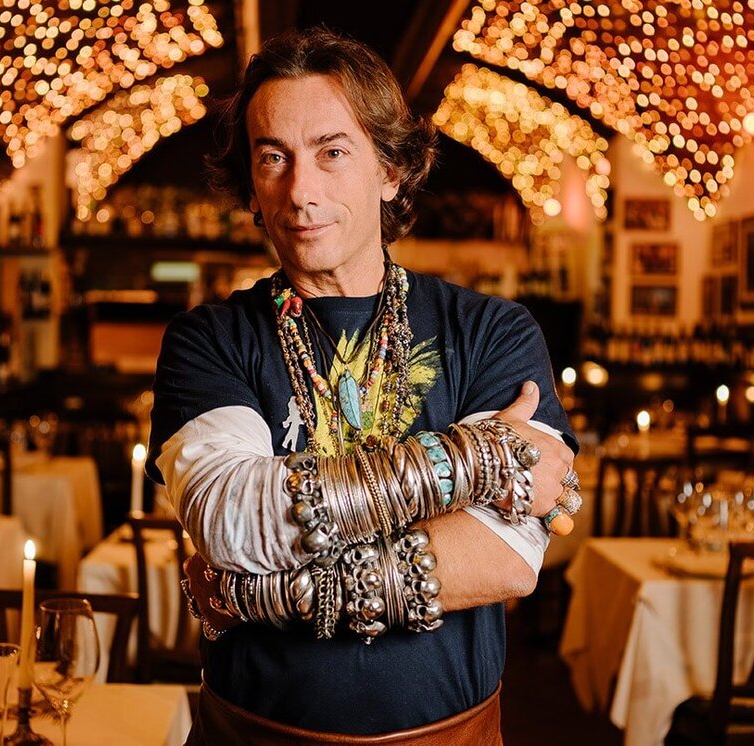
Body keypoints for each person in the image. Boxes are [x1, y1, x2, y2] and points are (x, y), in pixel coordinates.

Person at [147, 27, 582, 745]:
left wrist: (257, 592)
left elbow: (506, 557)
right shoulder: (210, 339)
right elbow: (232, 521)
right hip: (256, 734)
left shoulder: (493, 333)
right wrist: (477, 462)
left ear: (391, 170)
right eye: (272, 158)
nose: (301, 190)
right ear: (251, 187)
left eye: (332, 152)